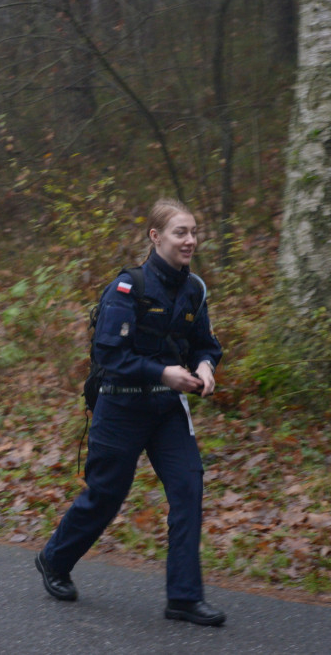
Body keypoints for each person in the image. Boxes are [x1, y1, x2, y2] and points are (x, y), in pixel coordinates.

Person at [35, 198, 225, 626]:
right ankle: (54, 559)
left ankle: (183, 597)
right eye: (181, 232)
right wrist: (164, 371)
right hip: (121, 404)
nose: (190, 240)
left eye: (194, 232)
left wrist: (205, 368)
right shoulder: (128, 288)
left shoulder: (194, 288)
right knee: (106, 495)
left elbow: (204, 344)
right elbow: (109, 354)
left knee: (188, 488)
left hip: (167, 409)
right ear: (156, 237)